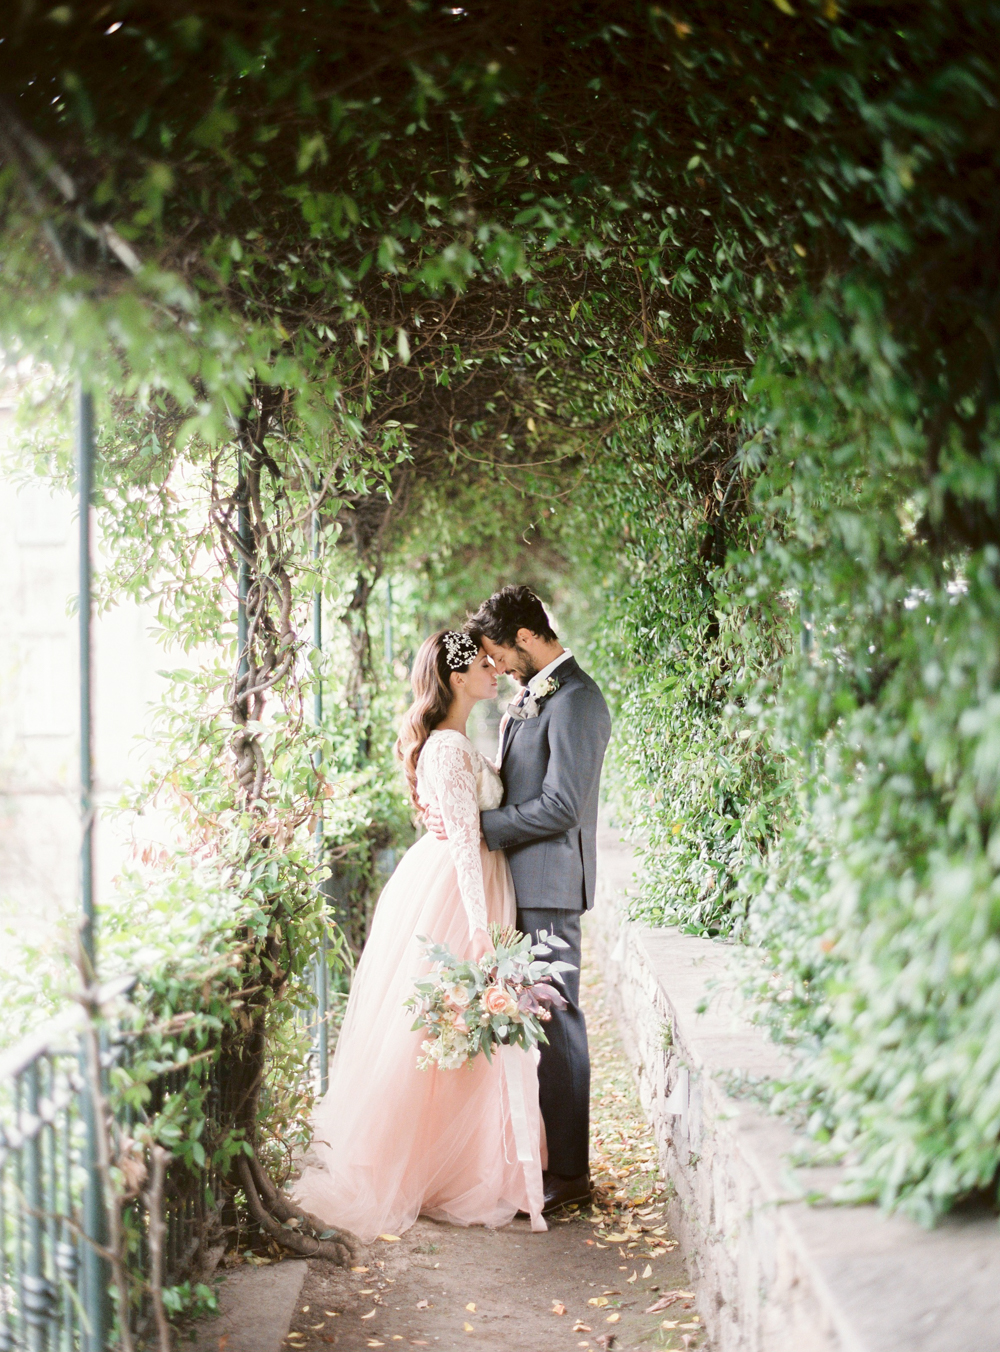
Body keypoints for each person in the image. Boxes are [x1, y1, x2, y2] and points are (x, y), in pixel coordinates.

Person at [293, 629, 547, 1242]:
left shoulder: (457, 741)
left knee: (456, 1035)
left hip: (472, 878)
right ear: (459, 679)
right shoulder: (445, 750)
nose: (496, 671)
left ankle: (465, 1165)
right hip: (458, 893)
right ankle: (427, 1167)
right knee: (442, 1028)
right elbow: (464, 843)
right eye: (486, 665)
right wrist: (482, 930)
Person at [428, 586, 612, 1213]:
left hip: (552, 886)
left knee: (560, 1025)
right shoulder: (533, 698)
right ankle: (535, 1163)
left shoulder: (579, 701)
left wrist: (480, 830)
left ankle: (572, 1173)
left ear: (528, 639)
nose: (500, 668)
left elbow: (562, 805)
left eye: (502, 655)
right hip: (517, 884)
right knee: (528, 1026)